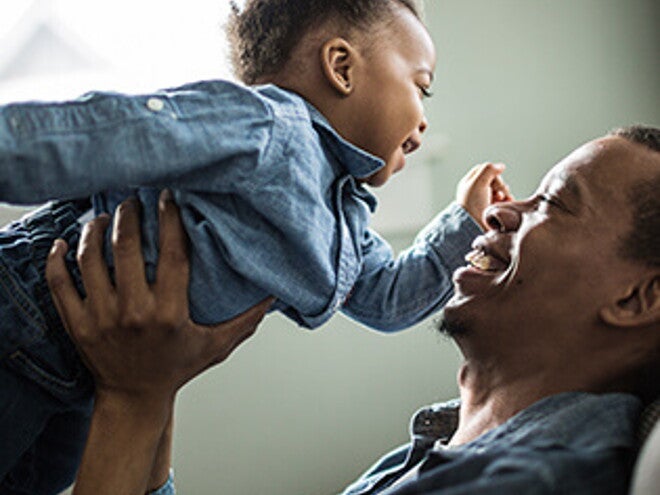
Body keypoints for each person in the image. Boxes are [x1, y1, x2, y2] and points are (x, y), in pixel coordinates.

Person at [0, 1, 512, 490]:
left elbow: (389, 300)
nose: (423, 121)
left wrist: (465, 222)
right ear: (341, 67)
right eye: (420, 87)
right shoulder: (267, 126)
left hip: (89, 370)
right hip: (32, 306)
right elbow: (115, 134)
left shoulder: (342, 224)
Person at [47, 124, 660, 494]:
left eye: (553, 202)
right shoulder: (433, 454)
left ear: (637, 298)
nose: (502, 211)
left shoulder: (532, 484)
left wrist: (128, 401)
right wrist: (154, 386)